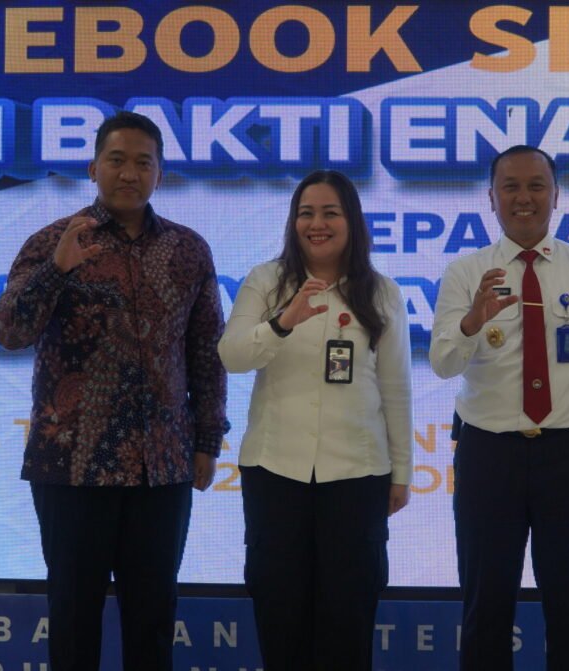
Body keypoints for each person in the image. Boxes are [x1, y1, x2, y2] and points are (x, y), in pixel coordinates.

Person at [0, 111, 228, 671]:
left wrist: (206, 441)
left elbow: (205, 352)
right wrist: (56, 270)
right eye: (116, 160)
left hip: (161, 466)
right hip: (72, 464)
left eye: (143, 162)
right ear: (93, 167)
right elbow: (9, 331)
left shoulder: (189, 249)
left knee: (153, 619)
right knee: (74, 617)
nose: (129, 173)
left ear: (160, 174)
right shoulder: (54, 241)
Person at [430, 145, 569, 670]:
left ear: (555, 195)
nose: (524, 198)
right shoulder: (465, 272)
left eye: (536, 186)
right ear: (491, 198)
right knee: (485, 607)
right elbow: (443, 364)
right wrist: (472, 321)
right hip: (488, 454)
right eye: (511, 187)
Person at [218, 170, 413, 670]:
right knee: (279, 612)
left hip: (357, 475)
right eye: (306, 213)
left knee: (349, 617)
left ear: (352, 221)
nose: (317, 224)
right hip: (275, 472)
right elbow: (232, 356)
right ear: (293, 222)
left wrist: (402, 472)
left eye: (330, 213)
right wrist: (283, 322)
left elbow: (395, 389)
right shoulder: (266, 281)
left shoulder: (383, 293)